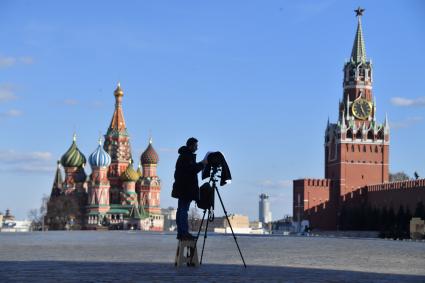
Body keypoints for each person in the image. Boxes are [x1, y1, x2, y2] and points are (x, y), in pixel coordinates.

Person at [172, 137, 207, 240]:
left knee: (181, 210)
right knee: (183, 211)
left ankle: (181, 232)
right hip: (185, 189)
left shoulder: (184, 155)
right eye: (196, 146)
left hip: (183, 188)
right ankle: (184, 233)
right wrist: (202, 164)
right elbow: (192, 170)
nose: (197, 148)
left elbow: (189, 169)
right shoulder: (187, 156)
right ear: (191, 145)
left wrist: (199, 164)